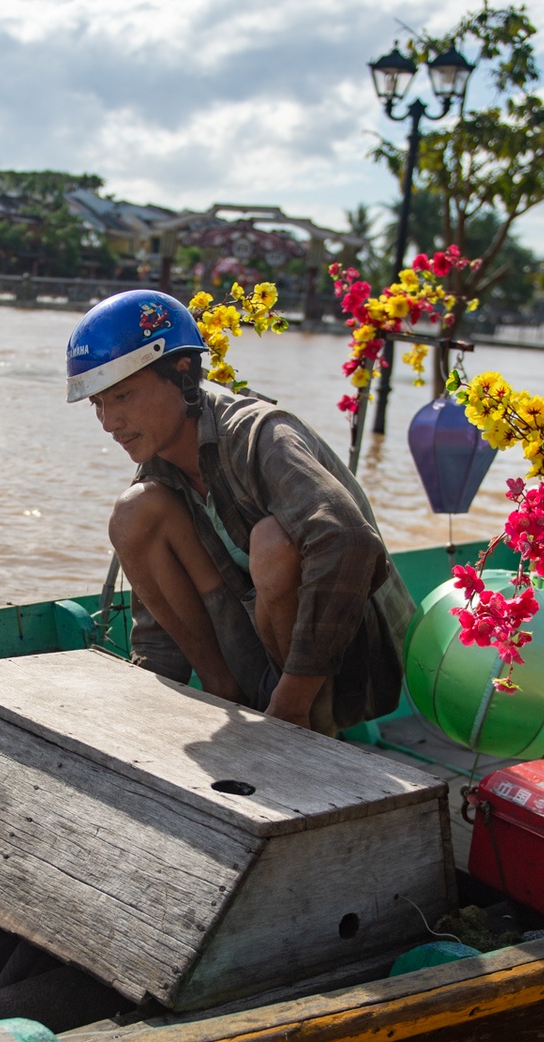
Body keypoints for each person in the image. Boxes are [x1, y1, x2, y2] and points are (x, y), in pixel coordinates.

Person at [68, 289, 414, 735]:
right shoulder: (160, 468)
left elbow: (350, 541)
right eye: (99, 403)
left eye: (123, 396)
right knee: (134, 512)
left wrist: (289, 704)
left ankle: (306, 728)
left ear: (182, 373)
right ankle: (222, 693)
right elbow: (159, 624)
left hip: (351, 668)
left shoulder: (260, 435)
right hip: (255, 651)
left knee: (272, 542)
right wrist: (144, 711)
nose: (108, 422)